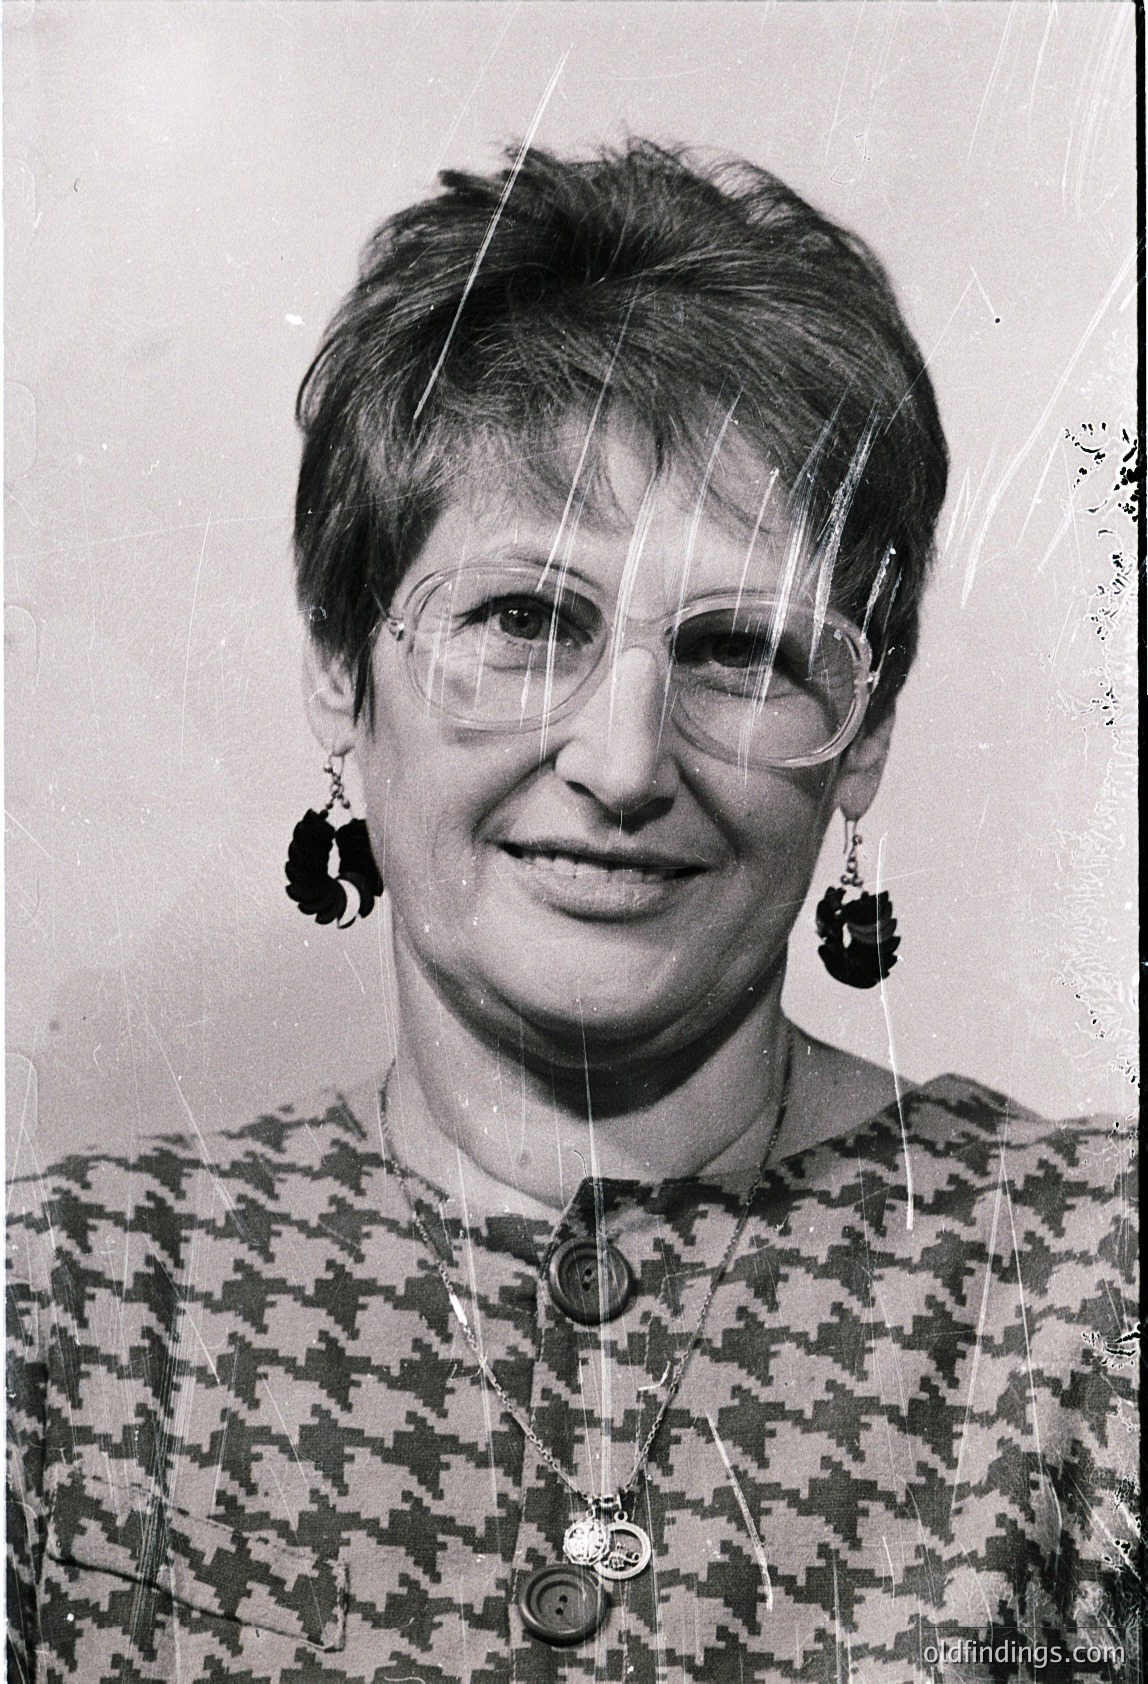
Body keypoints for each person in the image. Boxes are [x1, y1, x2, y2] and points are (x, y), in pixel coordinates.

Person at [7, 141, 1137, 1684]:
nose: (623, 766)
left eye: (742, 649)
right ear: (344, 671)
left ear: (864, 731)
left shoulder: (1098, 1296)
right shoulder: (66, 1317)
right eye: (525, 619)